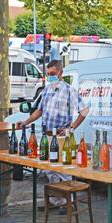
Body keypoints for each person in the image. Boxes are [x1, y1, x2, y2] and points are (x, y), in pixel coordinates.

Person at [19, 60, 89, 213]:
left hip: (63, 136)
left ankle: (67, 202)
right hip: (48, 135)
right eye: (48, 74)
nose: (50, 77)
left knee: (64, 170)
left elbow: (84, 111)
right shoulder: (46, 90)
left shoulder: (70, 90)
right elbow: (39, 111)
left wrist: (71, 128)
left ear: (60, 73)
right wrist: (25, 122)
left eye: (52, 74)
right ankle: (55, 200)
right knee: (50, 170)